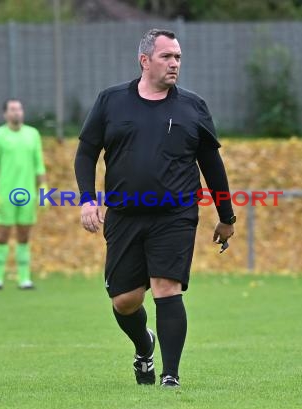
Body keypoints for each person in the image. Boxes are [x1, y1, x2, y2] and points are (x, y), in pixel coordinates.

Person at [74, 29, 236, 388]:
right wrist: (88, 199)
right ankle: (144, 345)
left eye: (178, 57)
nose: (175, 63)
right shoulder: (111, 101)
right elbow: (86, 153)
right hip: (125, 215)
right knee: (125, 301)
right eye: (167, 56)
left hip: (175, 214)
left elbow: (212, 166)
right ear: (145, 60)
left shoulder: (193, 107)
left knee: (166, 288)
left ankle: (170, 376)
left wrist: (226, 217)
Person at [0, 99, 47, 290]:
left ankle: (24, 278)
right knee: (2, 235)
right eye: (12, 109)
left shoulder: (32, 134)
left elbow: (39, 164)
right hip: (4, 194)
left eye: (19, 109)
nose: (16, 113)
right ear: (5, 114)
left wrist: (43, 189)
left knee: (24, 235)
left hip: (27, 193)